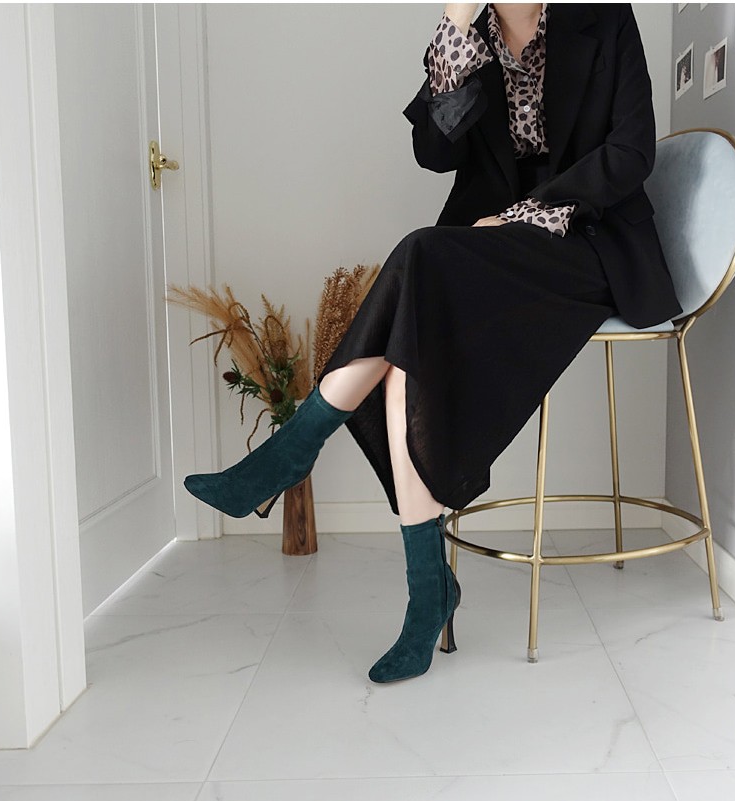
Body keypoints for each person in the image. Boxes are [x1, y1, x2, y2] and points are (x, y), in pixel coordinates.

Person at [184, 2, 681, 684]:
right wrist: (453, 34)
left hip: (585, 242)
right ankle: (427, 592)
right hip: (490, 250)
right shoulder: (469, 39)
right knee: (409, 341)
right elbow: (434, 151)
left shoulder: (604, 17)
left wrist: (521, 214)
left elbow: (631, 153)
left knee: (419, 259)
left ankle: (293, 452)